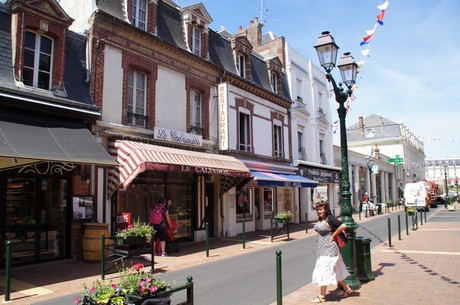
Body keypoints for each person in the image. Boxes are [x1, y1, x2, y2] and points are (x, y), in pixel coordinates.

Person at [310, 201, 352, 303]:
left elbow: (343, 225)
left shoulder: (330, 218)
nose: (319, 211)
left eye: (321, 209)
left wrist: (334, 235)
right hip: (323, 250)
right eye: (318, 209)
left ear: (326, 209)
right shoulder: (321, 219)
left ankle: (322, 296)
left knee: (324, 271)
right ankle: (347, 289)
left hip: (329, 250)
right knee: (337, 270)